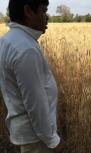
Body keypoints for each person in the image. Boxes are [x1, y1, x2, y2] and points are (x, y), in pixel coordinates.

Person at [0, 0, 65, 153]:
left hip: (30, 135)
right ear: (28, 11)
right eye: (43, 11)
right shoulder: (26, 49)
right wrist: (52, 140)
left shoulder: (7, 41)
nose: (47, 16)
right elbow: (35, 102)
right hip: (38, 139)